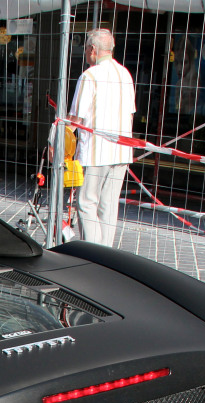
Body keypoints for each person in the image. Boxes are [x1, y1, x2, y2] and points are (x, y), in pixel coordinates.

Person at [68, 29, 135, 247]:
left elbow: (75, 119)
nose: (86, 53)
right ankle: (107, 253)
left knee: (87, 202)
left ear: (93, 50)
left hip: (95, 152)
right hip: (121, 151)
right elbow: (131, 113)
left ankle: (92, 252)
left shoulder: (90, 75)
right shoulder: (125, 74)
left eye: (87, 49)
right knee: (109, 204)